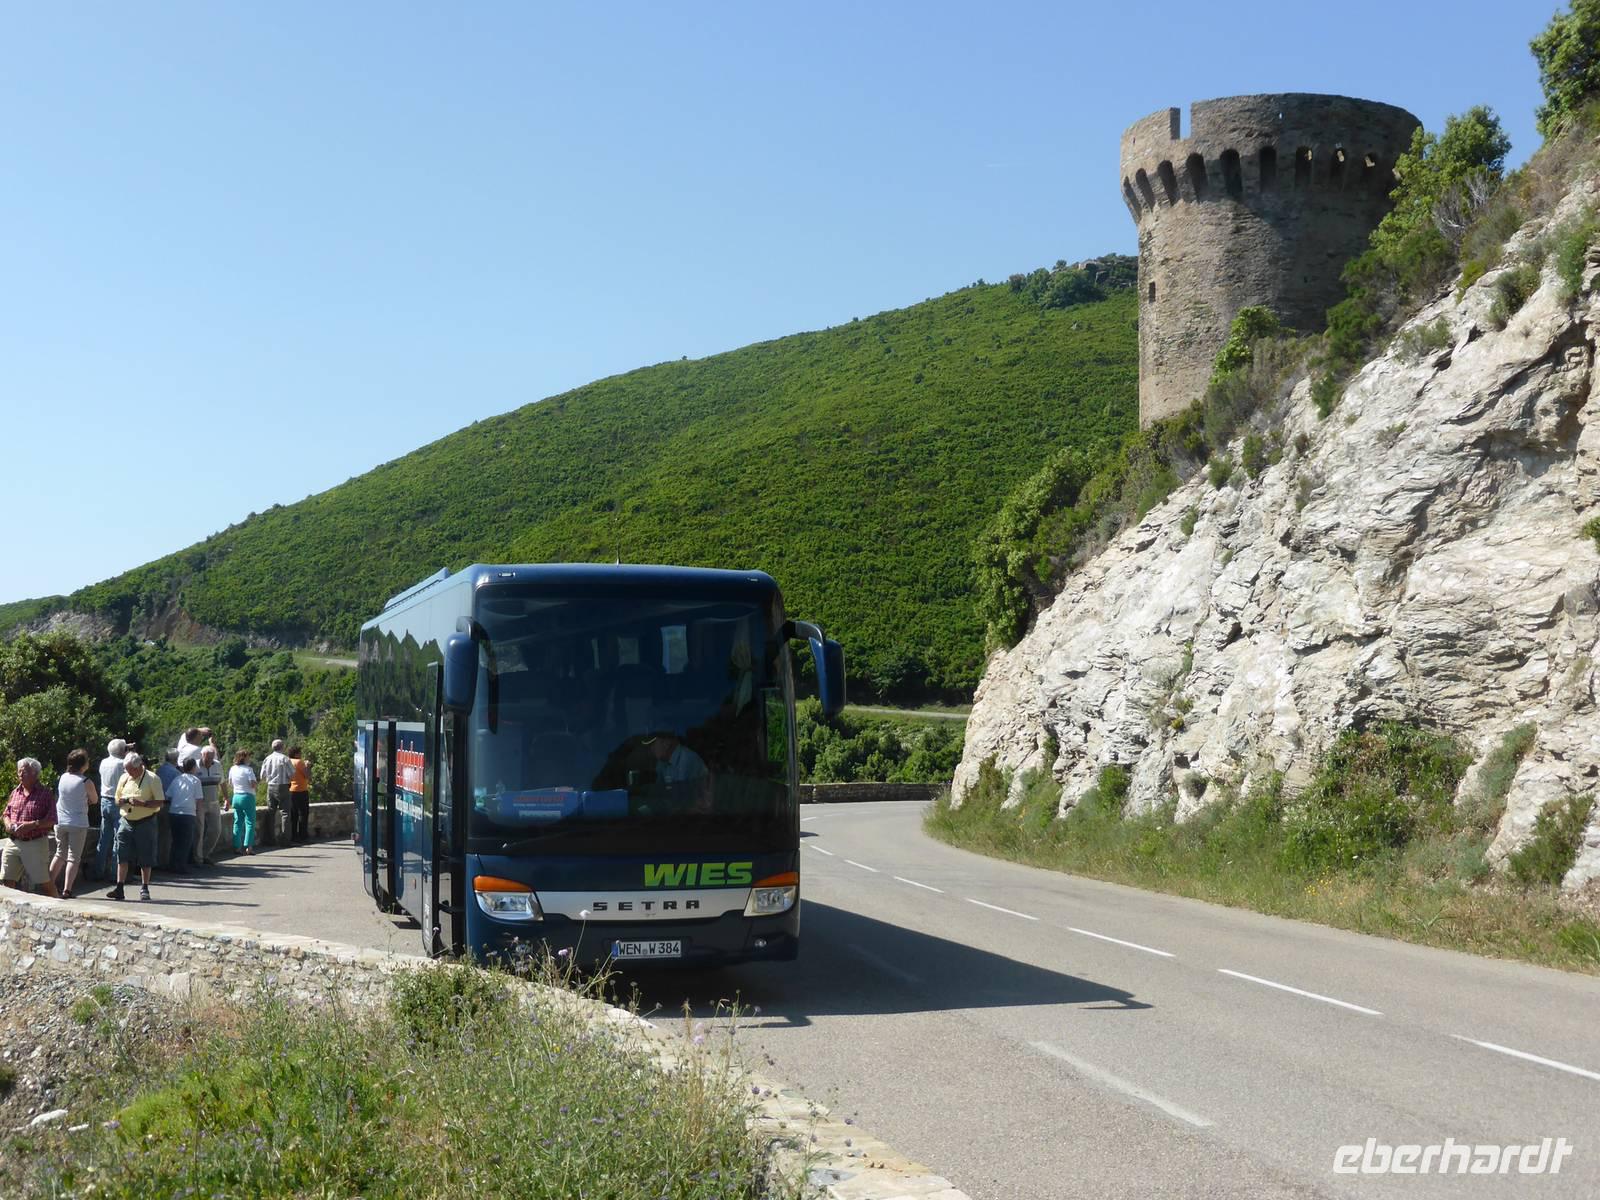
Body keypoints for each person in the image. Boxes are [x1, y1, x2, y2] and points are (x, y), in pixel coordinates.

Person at [111, 752, 162, 902]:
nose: (128, 772)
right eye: (126, 769)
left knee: (145, 855)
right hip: (126, 820)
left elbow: (160, 802)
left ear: (139, 766)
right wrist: (123, 801)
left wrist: (144, 803)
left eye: (130, 769)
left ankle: (144, 887)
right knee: (122, 854)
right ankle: (119, 887)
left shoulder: (152, 778)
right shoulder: (124, 778)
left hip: (145, 821)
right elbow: (116, 799)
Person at [2, 758, 58, 895]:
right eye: (19, 771)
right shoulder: (15, 792)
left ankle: (60, 909)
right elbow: (6, 814)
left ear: (35, 773)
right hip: (13, 841)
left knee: (44, 883)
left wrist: (33, 825)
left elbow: (52, 820)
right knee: (6, 881)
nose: (20, 775)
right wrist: (8, 824)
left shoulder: (45, 794)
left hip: (35, 843)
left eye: (24, 772)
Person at [48, 748, 97, 899]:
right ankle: (67, 890)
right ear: (83, 764)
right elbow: (94, 799)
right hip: (78, 822)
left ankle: (48, 884)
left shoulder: (63, 777)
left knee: (59, 853)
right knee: (73, 858)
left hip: (60, 820)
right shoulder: (85, 781)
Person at [644, 731, 711, 811]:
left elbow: (680, 800)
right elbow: (658, 791)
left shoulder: (687, 759)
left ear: (666, 743)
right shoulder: (661, 761)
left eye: (653, 744)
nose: (651, 749)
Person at [94, 738, 128, 881]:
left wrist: (125, 749)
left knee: (104, 838)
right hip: (117, 801)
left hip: (104, 800)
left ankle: (97, 871)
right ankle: (115, 874)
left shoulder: (104, 762)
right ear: (122, 751)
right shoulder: (122, 764)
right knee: (118, 839)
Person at [164, 758, 200, 874]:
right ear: (193, 767)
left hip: (174, 811)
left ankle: (172, 864)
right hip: (188, 812)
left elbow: (168, 795)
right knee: (186, 841)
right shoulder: (195, 780)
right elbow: (199, 799)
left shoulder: (177, 779)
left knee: (175, 840)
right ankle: (181, 866)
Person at [192, 746, 222, 866]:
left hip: (214, 801)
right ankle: (198, 858)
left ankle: (205, 853)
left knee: (216, 830)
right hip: (200, 803)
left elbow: (222, 782)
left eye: (211, 757)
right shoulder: (196, 766)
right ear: (202, 755)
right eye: (207, 757)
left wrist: (225, 798)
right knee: (199, 831)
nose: (210, 760)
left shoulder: (217, 765)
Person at [260, 739, 293, 848]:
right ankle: (285, 840)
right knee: (285, 813)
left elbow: (262, 776)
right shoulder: (284, 758)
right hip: (283, 786)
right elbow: (292, 773)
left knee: (271, 812)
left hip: (270, 786)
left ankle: (270, 839)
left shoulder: (267, 759)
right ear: (282, 747)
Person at [226, 748, 258, 855]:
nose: (250, 758)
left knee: (238, 821)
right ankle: (248, 846)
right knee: (250, 822)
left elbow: (230, 783)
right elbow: (252, 784)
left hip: (236, 796)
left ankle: (237, 847)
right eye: (248, 756)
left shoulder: (232, 769)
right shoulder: (248, 770)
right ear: (244, 758)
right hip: (248, 796)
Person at [155, 750, 180, 867]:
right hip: (168, 804)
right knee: (166, 835)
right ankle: (164, 862)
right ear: (176, 759)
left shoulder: (159, 770)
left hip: (157, 804)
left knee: (158, 833)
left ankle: (155, 860)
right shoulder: (176, 773)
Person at [287, 745, 311, 843]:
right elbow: (307, 775)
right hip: (301, 790)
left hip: (291, 790)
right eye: (300, 753)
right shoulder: (299, 762)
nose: (301, 754)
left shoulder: (288, 762)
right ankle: (303, 836)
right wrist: (308, 766)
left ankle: (293, 836)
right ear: (296, 753)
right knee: (303, 814)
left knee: (294, 814)